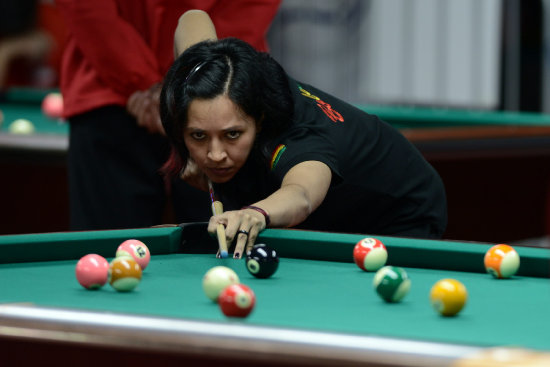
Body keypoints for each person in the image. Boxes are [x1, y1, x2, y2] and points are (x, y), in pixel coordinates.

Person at [161, 10, 447, 259]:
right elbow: (192, 18)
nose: (215, 154)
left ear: (258, 120)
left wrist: (255, 213)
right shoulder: (213, 77)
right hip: (332, 210)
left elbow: (301, 194)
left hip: (398, 212)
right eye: (199, 136)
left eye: (232, 135)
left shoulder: (298, 136)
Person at [55, 1, 281, 230]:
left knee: (228, 248)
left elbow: (247, 11)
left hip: (223, 102)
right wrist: (149, 86)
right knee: (105, 255)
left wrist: (186, 93)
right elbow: (86, 9)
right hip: (110, 96)